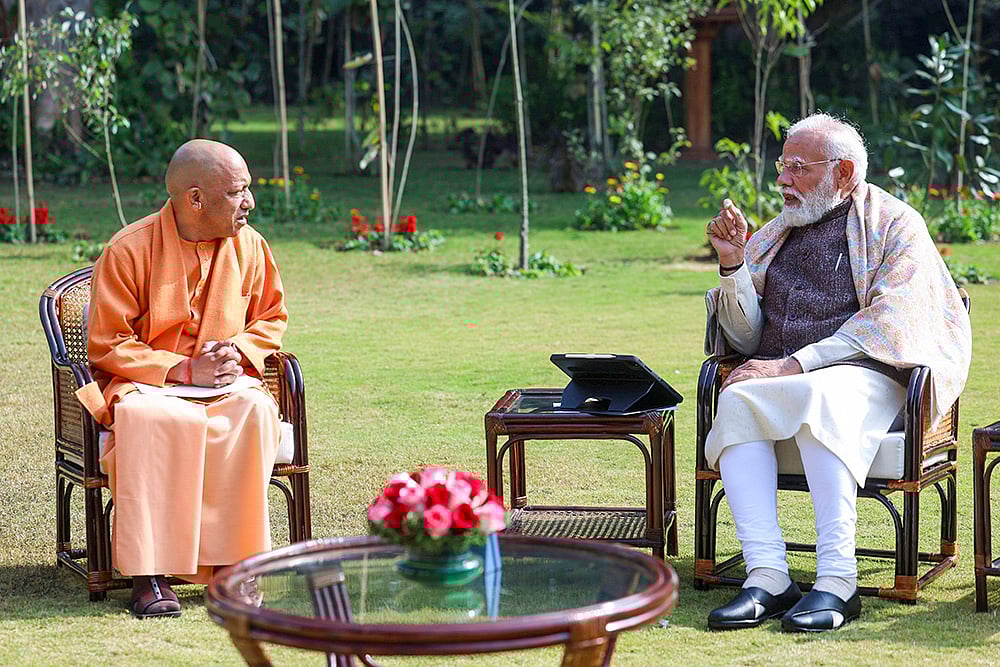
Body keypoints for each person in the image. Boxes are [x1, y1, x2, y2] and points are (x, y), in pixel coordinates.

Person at [702, 113, 971, 632]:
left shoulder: (896, 224)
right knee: (734, 397)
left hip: (869, 372)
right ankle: (769, 576)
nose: (782, 179)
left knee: (822, 395)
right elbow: (743, 340)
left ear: (843, 171)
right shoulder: (779, 232)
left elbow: (889, 324)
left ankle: (838, 583)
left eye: (797, 167)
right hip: (789, 377)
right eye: (782, 165)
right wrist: (734, 265)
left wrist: (794, 362)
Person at [76, 139, 288, 618]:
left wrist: (238, 351)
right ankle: (148, 574)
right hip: (148, 384)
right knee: (148, 418)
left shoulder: (251, 245)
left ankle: (236, 567)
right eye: (238, 191)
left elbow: (271, 316)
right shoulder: (128, 249)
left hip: (225, 386)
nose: (250, 202)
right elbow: (108, 344)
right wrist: (182, 369)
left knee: (253, 410)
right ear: (195, 200)